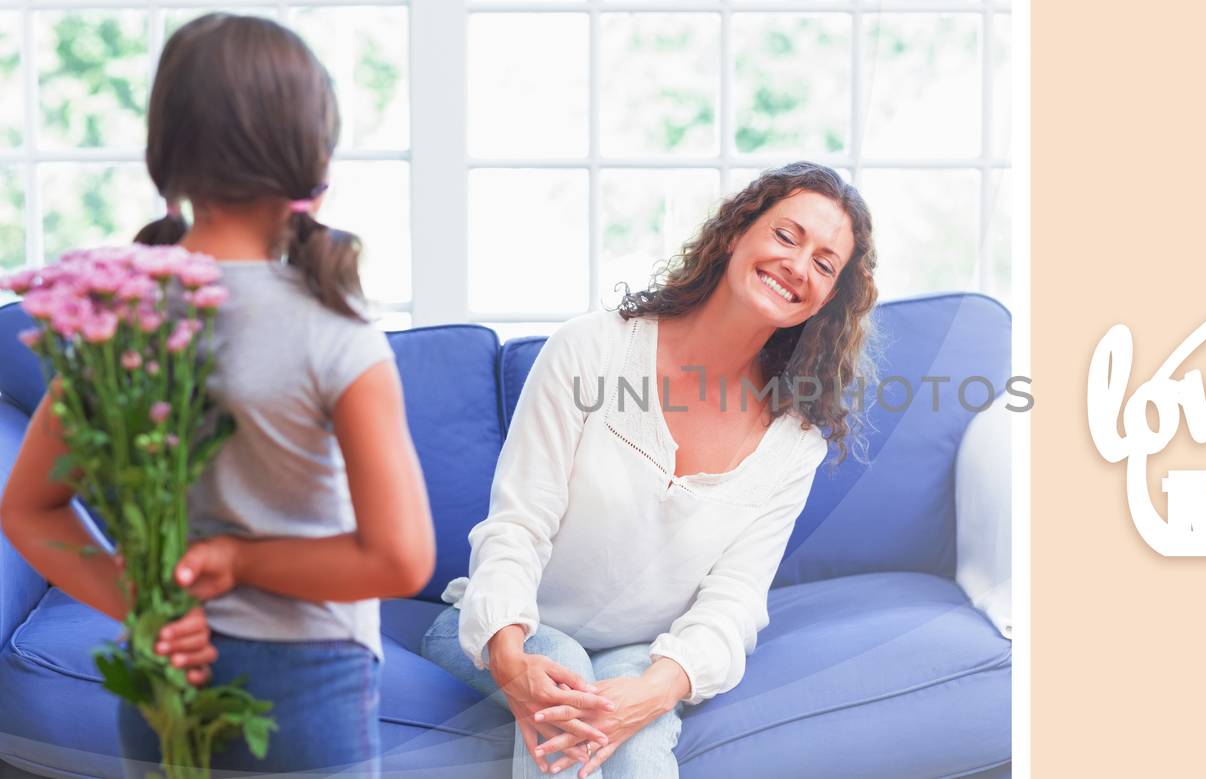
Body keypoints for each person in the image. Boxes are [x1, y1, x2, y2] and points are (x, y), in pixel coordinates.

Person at [0, 13, 434, 777]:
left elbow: (28, 506)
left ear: (163, 152)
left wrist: (143, 602)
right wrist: (235, 560)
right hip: (310, 689)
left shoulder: (119, 318)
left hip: (163, 673)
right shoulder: (336, 329)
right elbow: (400, 558)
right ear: (312, 153)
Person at [421, 161, 879, 778]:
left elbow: (734, 600)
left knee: (634, 742)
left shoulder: (795, 442)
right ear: (736, 233)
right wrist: (508, 653)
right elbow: (516, 526)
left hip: (643, 652)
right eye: (787, 236)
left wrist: (662, 687)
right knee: (566, 691)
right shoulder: (592, 349)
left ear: (830, 300)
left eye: (825, 264)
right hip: (505, 623)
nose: (799, 265)